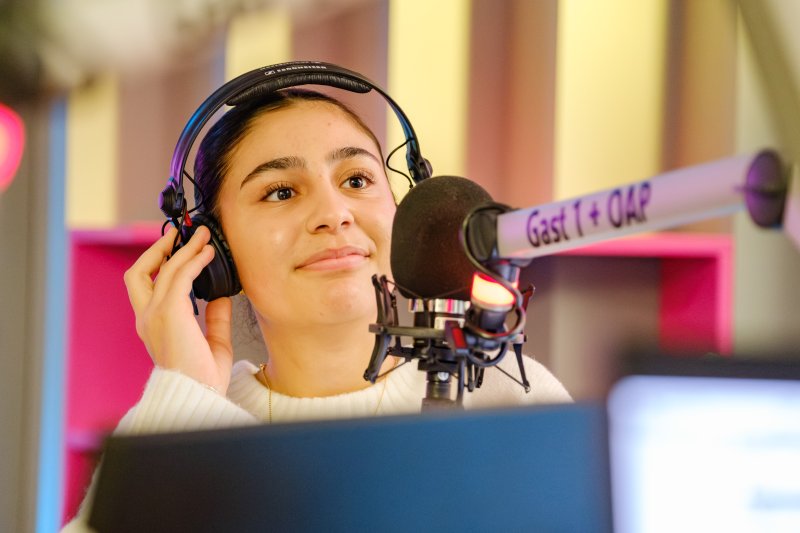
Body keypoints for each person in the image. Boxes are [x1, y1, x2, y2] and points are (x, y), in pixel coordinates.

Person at [62, 87, 571, 531]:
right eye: (281, 192)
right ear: (215, 250)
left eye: (357, 180)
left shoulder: (505, 394)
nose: (333, 214)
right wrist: (186, 399)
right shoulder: (174, 428)